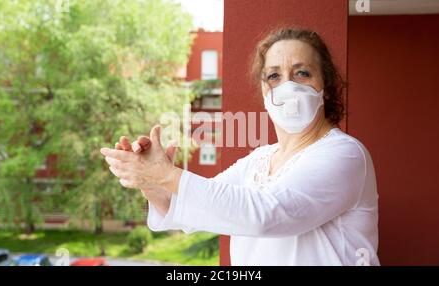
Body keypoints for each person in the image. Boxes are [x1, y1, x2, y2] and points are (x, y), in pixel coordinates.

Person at [100, 28, 379, 266]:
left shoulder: (345, 154)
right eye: (274, 76)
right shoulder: (260, 159)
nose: (288, 86)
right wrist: (149, 181)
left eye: (302, 73)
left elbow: (265, 215)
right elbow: (196, 209)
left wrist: (164, 174)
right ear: (264, 91)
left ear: (325, 87)